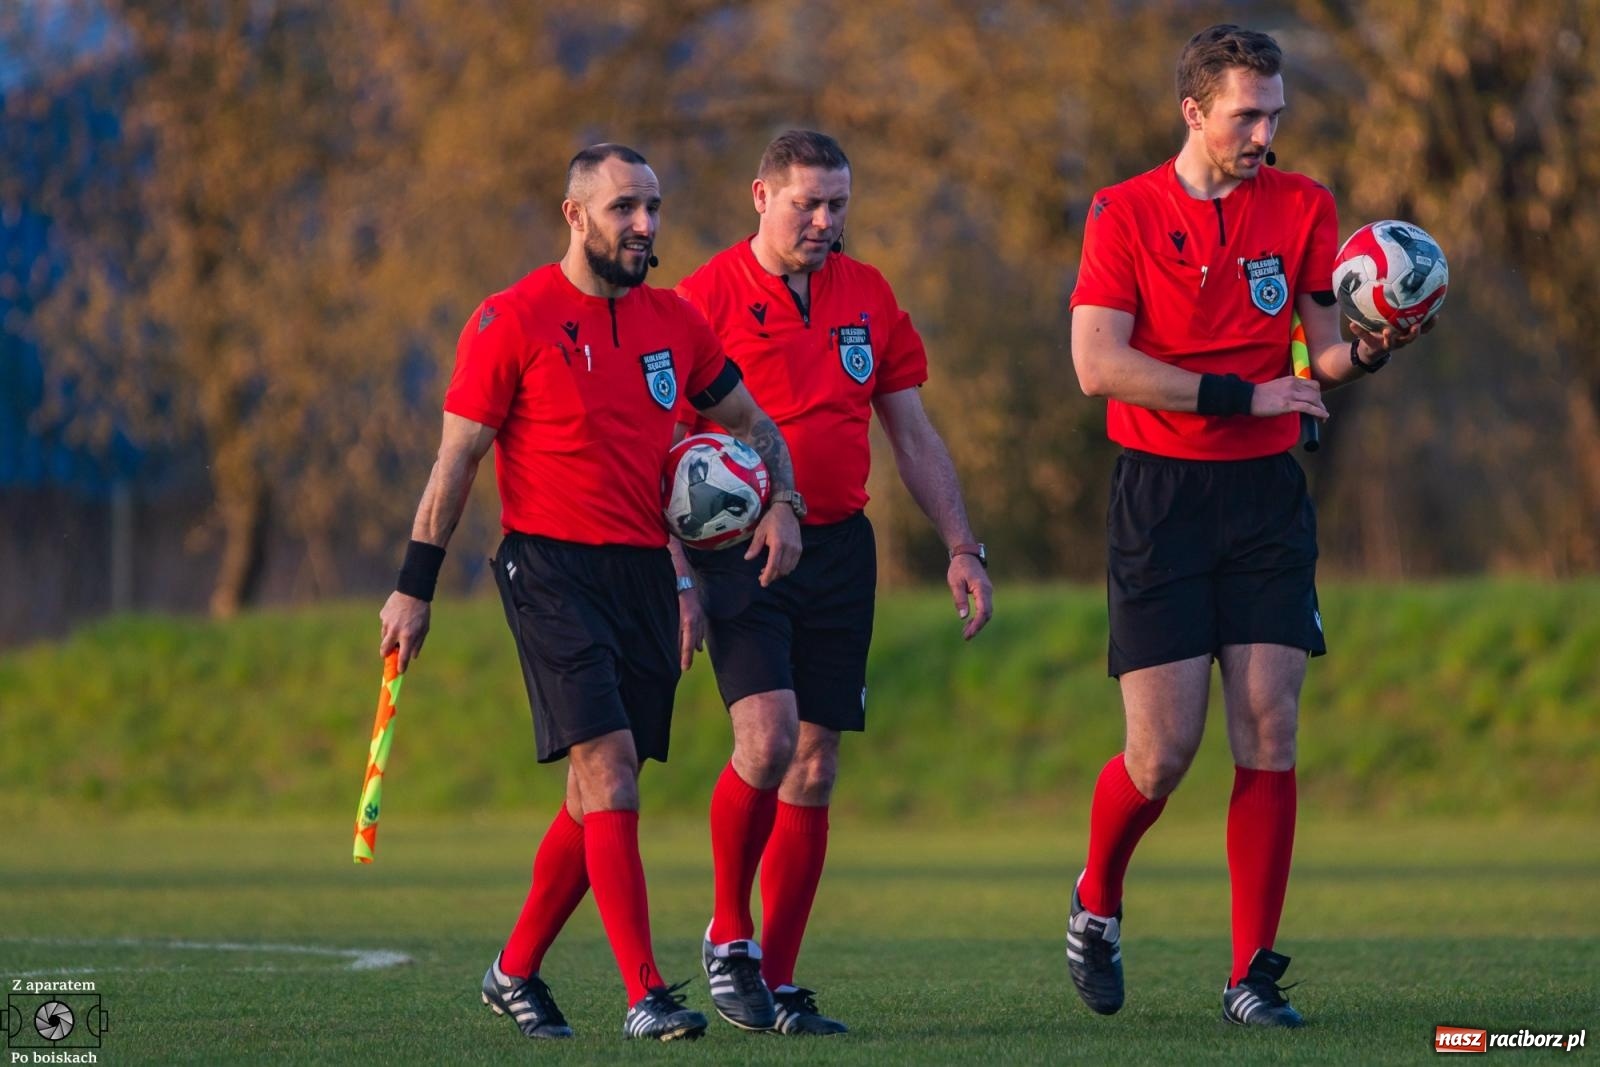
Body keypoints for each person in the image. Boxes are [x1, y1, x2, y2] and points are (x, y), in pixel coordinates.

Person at [377, 143, 802, 1043]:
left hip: (645, 571)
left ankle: (513, 969)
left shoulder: (676, 323)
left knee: (593, 793)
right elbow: (455, 464)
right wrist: (414, 589)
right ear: (575, 215)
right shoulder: (511, 319)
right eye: (623, 209)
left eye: (653, 206)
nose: (645, 225)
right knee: (607, 769)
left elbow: (753, 425)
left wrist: (783, 505)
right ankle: (646, 992)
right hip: (550, 570)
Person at [1065, 25, 1430, 1028]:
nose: (1264, 131)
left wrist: (1375, 341)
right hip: (1162, 498)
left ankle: (1250, 975)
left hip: (1266, 497)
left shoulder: (1303, 205)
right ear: (1193, 111)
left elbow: (1318, 358)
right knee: (1161, 755)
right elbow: (1098, 363)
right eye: (1245, 115)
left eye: (1275, 114)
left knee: (1269, 725)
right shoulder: (1122, 211)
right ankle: (1096, 897)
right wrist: (1244, 396)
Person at [673, 129, 994, 1036]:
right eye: (805, 203)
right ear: (759, 196)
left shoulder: (869, 295)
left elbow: (914, 435)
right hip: (740, 546)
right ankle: (728, 938)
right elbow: (662, 444)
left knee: (815, 764)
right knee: (767, 742)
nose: (824, 221)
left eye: (838, 204)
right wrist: (679, 572)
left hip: (842, 548)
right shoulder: (704, 299)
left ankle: (771, 980)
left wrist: (962, 544)